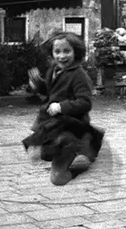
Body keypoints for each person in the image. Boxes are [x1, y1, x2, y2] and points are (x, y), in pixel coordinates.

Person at [22, 32, 104, 186]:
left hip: (71, 123)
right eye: (57, 52)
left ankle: (82, 152)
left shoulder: (79, 75)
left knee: (57, 176)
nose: (62, 56)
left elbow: (85, 102)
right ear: (52, 54)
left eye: (67, 51)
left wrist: (61, 106)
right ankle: (72, 148)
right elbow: (50, 91)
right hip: (52, 120)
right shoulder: (54, 69)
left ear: (76, 52)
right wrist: (37, 84)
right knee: (51, 163)